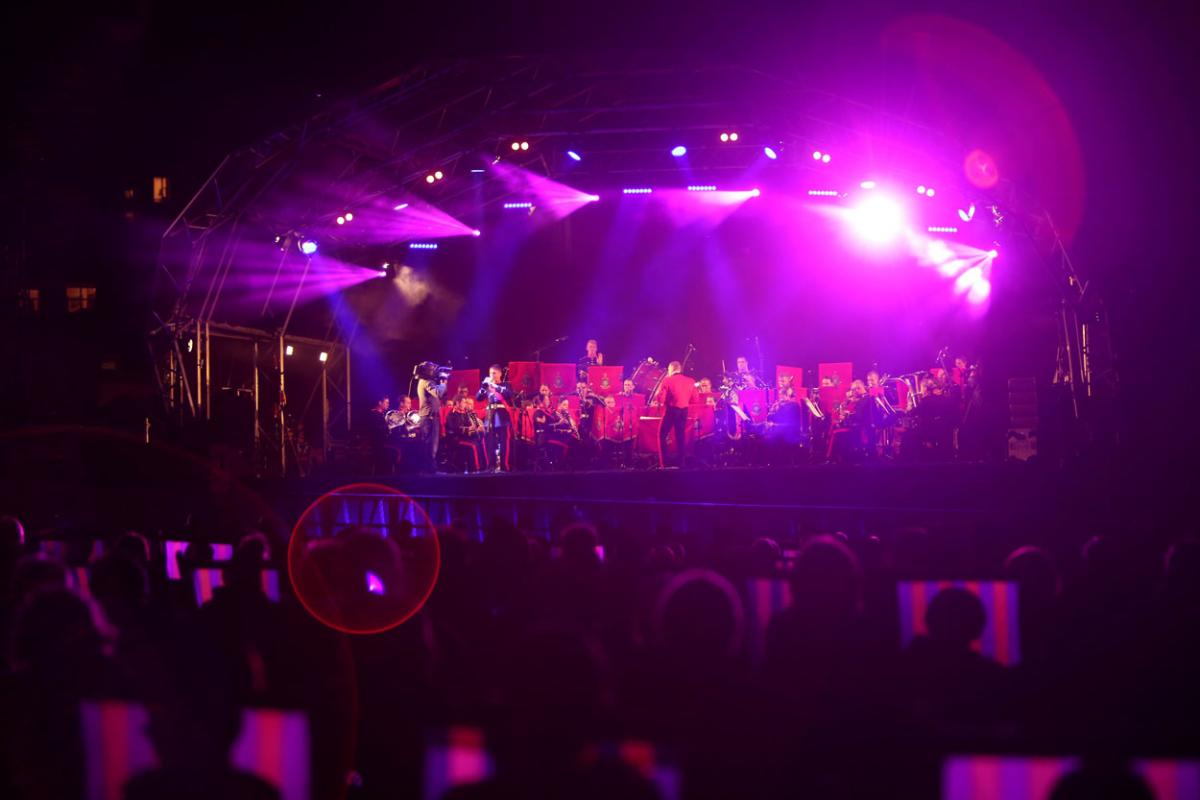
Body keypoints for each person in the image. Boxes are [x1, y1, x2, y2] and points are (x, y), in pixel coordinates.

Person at [653, 360, 696, 468]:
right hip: (684, 411)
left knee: (662, 435)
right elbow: (695, 399)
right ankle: (682, 464)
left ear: (671, 369)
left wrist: (659, 392)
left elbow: (660, 399)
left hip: (672, 410)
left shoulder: (667, 380)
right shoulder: (691, 381)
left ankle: (664, 464)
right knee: (680, 436)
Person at [477, 364, 515, 471]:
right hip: (490, 417)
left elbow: (509, 394)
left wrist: (496, 387)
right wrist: (483, 387)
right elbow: (478, 398)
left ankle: (504, 466)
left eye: (494, 373)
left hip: (502, 416)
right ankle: (490, 466)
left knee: (504, 442)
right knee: (489, 442)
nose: (492, 375)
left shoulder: (505, 384)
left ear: (500, 374)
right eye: (490, 373)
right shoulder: (487, 386)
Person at [416, 363, 447, 472]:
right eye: (432, 369)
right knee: (430, 445)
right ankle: (429, 471)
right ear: (425, 371)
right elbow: (438, 393)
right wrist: (443, 383)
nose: (434, 371)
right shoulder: (426, 382)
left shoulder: (427, 382)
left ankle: (430, 469)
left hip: (430, 417)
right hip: (429, 418)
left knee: (432, 444)